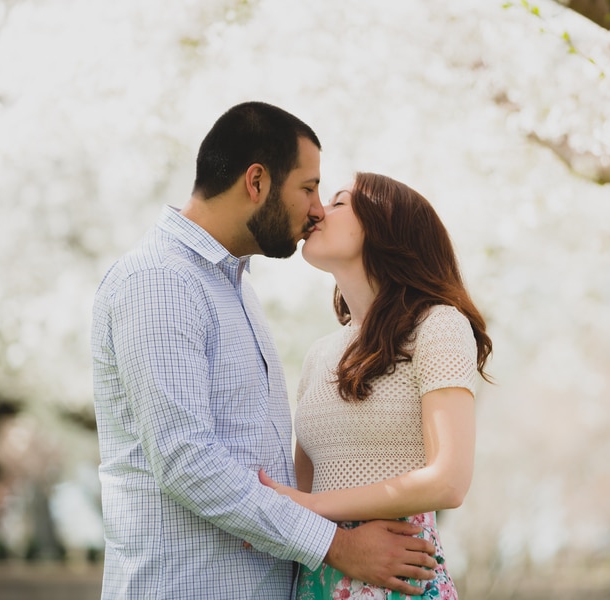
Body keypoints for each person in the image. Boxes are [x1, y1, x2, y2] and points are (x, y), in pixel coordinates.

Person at [90, 103, 438, 600]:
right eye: (308, 187)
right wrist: (337, 546)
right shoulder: (162, 281)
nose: (317, 208)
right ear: (256, 182)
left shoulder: (232, 287)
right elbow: (187, 461)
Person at [259, 172, 493, 599]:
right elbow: (304, 485)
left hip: (401, 579)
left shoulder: (438, 326)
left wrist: (310, 507)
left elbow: (449, 482)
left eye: (339, 203)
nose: (318, 212)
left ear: (385, 227)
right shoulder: (319, 354)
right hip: (320, 579)